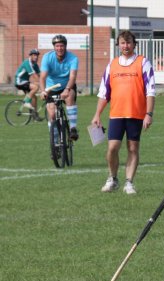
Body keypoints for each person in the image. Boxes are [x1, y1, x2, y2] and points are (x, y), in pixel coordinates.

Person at [91, 30, 155, 195]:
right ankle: (112, 179)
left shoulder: (143, 63)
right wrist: (97, 114)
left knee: (133, 148)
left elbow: (150, 91)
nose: (126, 46)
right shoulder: (112, 65)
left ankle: (129, 182)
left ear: (134, 44)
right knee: (112, 148)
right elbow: (104, 93)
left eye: (128, 43)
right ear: (118, 45)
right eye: (122, 43)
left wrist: (149, 114)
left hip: (136, 114)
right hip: (116, 114)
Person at [40, 34, 79, 141]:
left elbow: (72, 77)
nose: (59, 48)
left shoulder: (73, 58)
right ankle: (55, 141)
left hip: (67, 85)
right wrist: (43, 91)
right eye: (57, 46)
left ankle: (73, 128)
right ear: (54, 47)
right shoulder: (47, 57)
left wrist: (67, 89)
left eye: (62, 46)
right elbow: (42, 77)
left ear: (65, 46)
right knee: (52, 114)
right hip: (51, 87)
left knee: (70, 96)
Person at [14, 48, 42, 121]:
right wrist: (42, 85)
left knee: (34, 98)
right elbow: (34, 76)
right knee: (36, 87)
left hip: (25, 81)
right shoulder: (27, 63)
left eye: (37, 55)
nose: (36, 57)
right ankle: (26, 102)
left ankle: (34, 115)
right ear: (31, 56)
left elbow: (40, 75)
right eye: (34, 55)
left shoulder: (35, 65)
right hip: (19, 81)